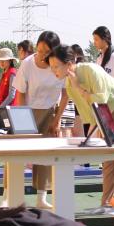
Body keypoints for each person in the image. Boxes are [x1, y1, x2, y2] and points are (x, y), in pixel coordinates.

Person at [48, 45, 114, 210]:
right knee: (109, 158)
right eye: (51, 67)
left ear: (68, 64)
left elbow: (101, 100)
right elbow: (89, 113)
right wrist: (90, 137)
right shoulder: (69, 84)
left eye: (56, 66)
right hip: (105, 113)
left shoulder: (90, 70)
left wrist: (79, 87)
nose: (53, 71)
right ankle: (107, 204)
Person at [12, 30, 66, 209]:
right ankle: (9, 195)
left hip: (50, 113)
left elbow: (66, 94)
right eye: (39, 50)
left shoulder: (59, 65)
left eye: (46, 51)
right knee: (17, 154)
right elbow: (20, 92)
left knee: (45, 156)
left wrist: (57, 119)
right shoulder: (27, 63)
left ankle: (41, 197)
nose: (41, 54)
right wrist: (22, 119)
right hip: (28, 111)